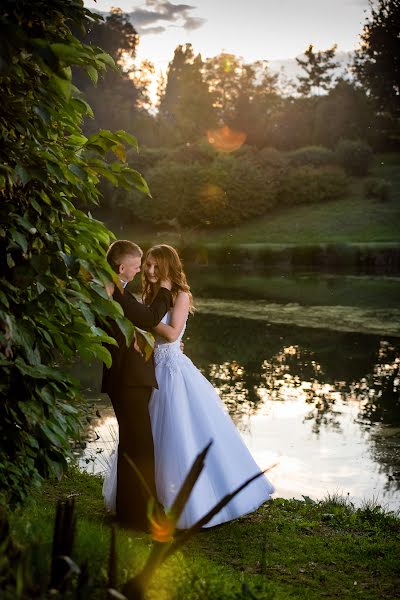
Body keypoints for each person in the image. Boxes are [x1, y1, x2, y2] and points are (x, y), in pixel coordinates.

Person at [104, 244, 274, 529]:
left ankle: (197, 500)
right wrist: (143, 324)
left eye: (156, 266)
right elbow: (142, 325)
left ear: (170, 267)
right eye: (147, 265)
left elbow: (170, 334)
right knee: (148, 438)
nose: (149, 270)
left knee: (178, 432)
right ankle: (148, 501)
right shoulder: (149, 294)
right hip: (149, 369)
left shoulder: (180, 295)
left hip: (171, 371)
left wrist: (148, 322)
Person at [101, 240, 172, 531]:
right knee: (141, 447)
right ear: (122, 268)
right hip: (128, 380)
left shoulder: (112, 291)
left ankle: (130, 514)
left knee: (133, 444)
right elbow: (150, 317)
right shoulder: (117, 294)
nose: (140, 269)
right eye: (136, 264)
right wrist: (166, 289)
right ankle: (143, 516)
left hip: (124, 379)